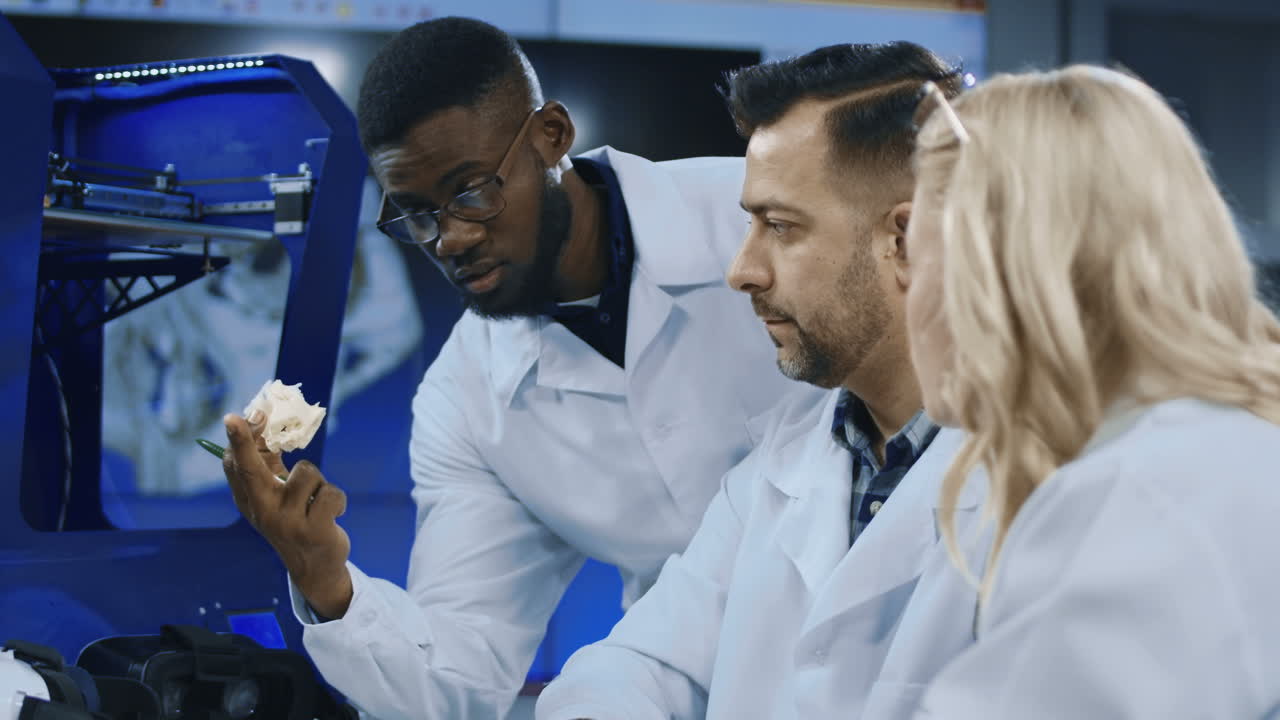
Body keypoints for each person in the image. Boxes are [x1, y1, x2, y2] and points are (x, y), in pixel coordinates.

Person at [218, 17, 817, 720]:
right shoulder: (465, 400)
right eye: (417, 215)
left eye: (472, 191)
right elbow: (458, 676)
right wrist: (325, 577)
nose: (453, 239)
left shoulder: (756, 220)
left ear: (552, 137)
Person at [535, 43, 983, 720]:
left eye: (779, 226)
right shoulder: (783, 465)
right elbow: (644, 663)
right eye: (750, 223)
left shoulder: (1061, 483)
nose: (742, 269)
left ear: (906, 240)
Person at [904, 66, 1280, 718]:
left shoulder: (1139, 499)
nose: (907, 297)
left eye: (915, 257)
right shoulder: (1226, 449)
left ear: (990, 266)